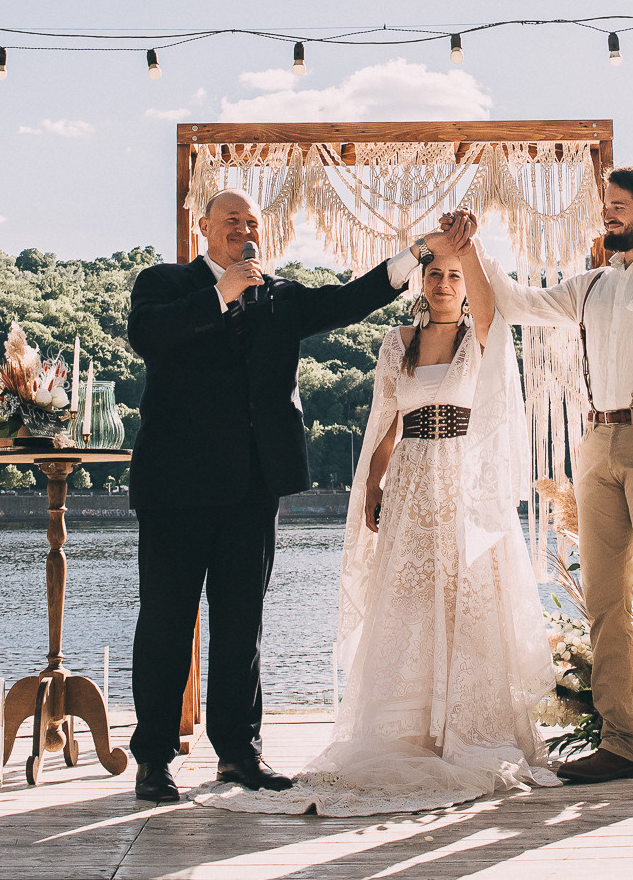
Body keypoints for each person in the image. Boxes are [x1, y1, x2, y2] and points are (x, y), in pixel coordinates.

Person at [219, 241, 556, 816]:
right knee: (411, 601)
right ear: (421, 281)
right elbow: (386, 420)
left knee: (469, 598)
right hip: (412, 478)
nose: (445, 284)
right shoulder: (395, 342)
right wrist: (373, 484)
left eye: (455, 276)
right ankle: (410, 730)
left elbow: (491, 312)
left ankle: (466, 728)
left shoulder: (484, 339)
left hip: (464, 481)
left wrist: (466, 250)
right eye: (436, 275)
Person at [126, 190, 440, 803]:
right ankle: (155, 758)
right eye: (233, 222)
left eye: (253, 224)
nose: (245, 231)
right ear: (205, 228)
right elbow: (148, 336)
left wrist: (421, 251)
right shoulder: (163, 283)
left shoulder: (281, 297)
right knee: (166, 622)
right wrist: (220, 295)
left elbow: (352, 299)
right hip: (177, 486)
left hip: (253, 485)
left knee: (242, 624)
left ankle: (239, 753)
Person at [465, 165, 633, 796]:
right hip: (596, 443)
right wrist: (475, 247)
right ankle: (624, 743)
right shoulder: (588, 286)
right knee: (605, 600)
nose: (606, 215)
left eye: (617, 206)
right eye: (605, 207)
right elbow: (515, 304)